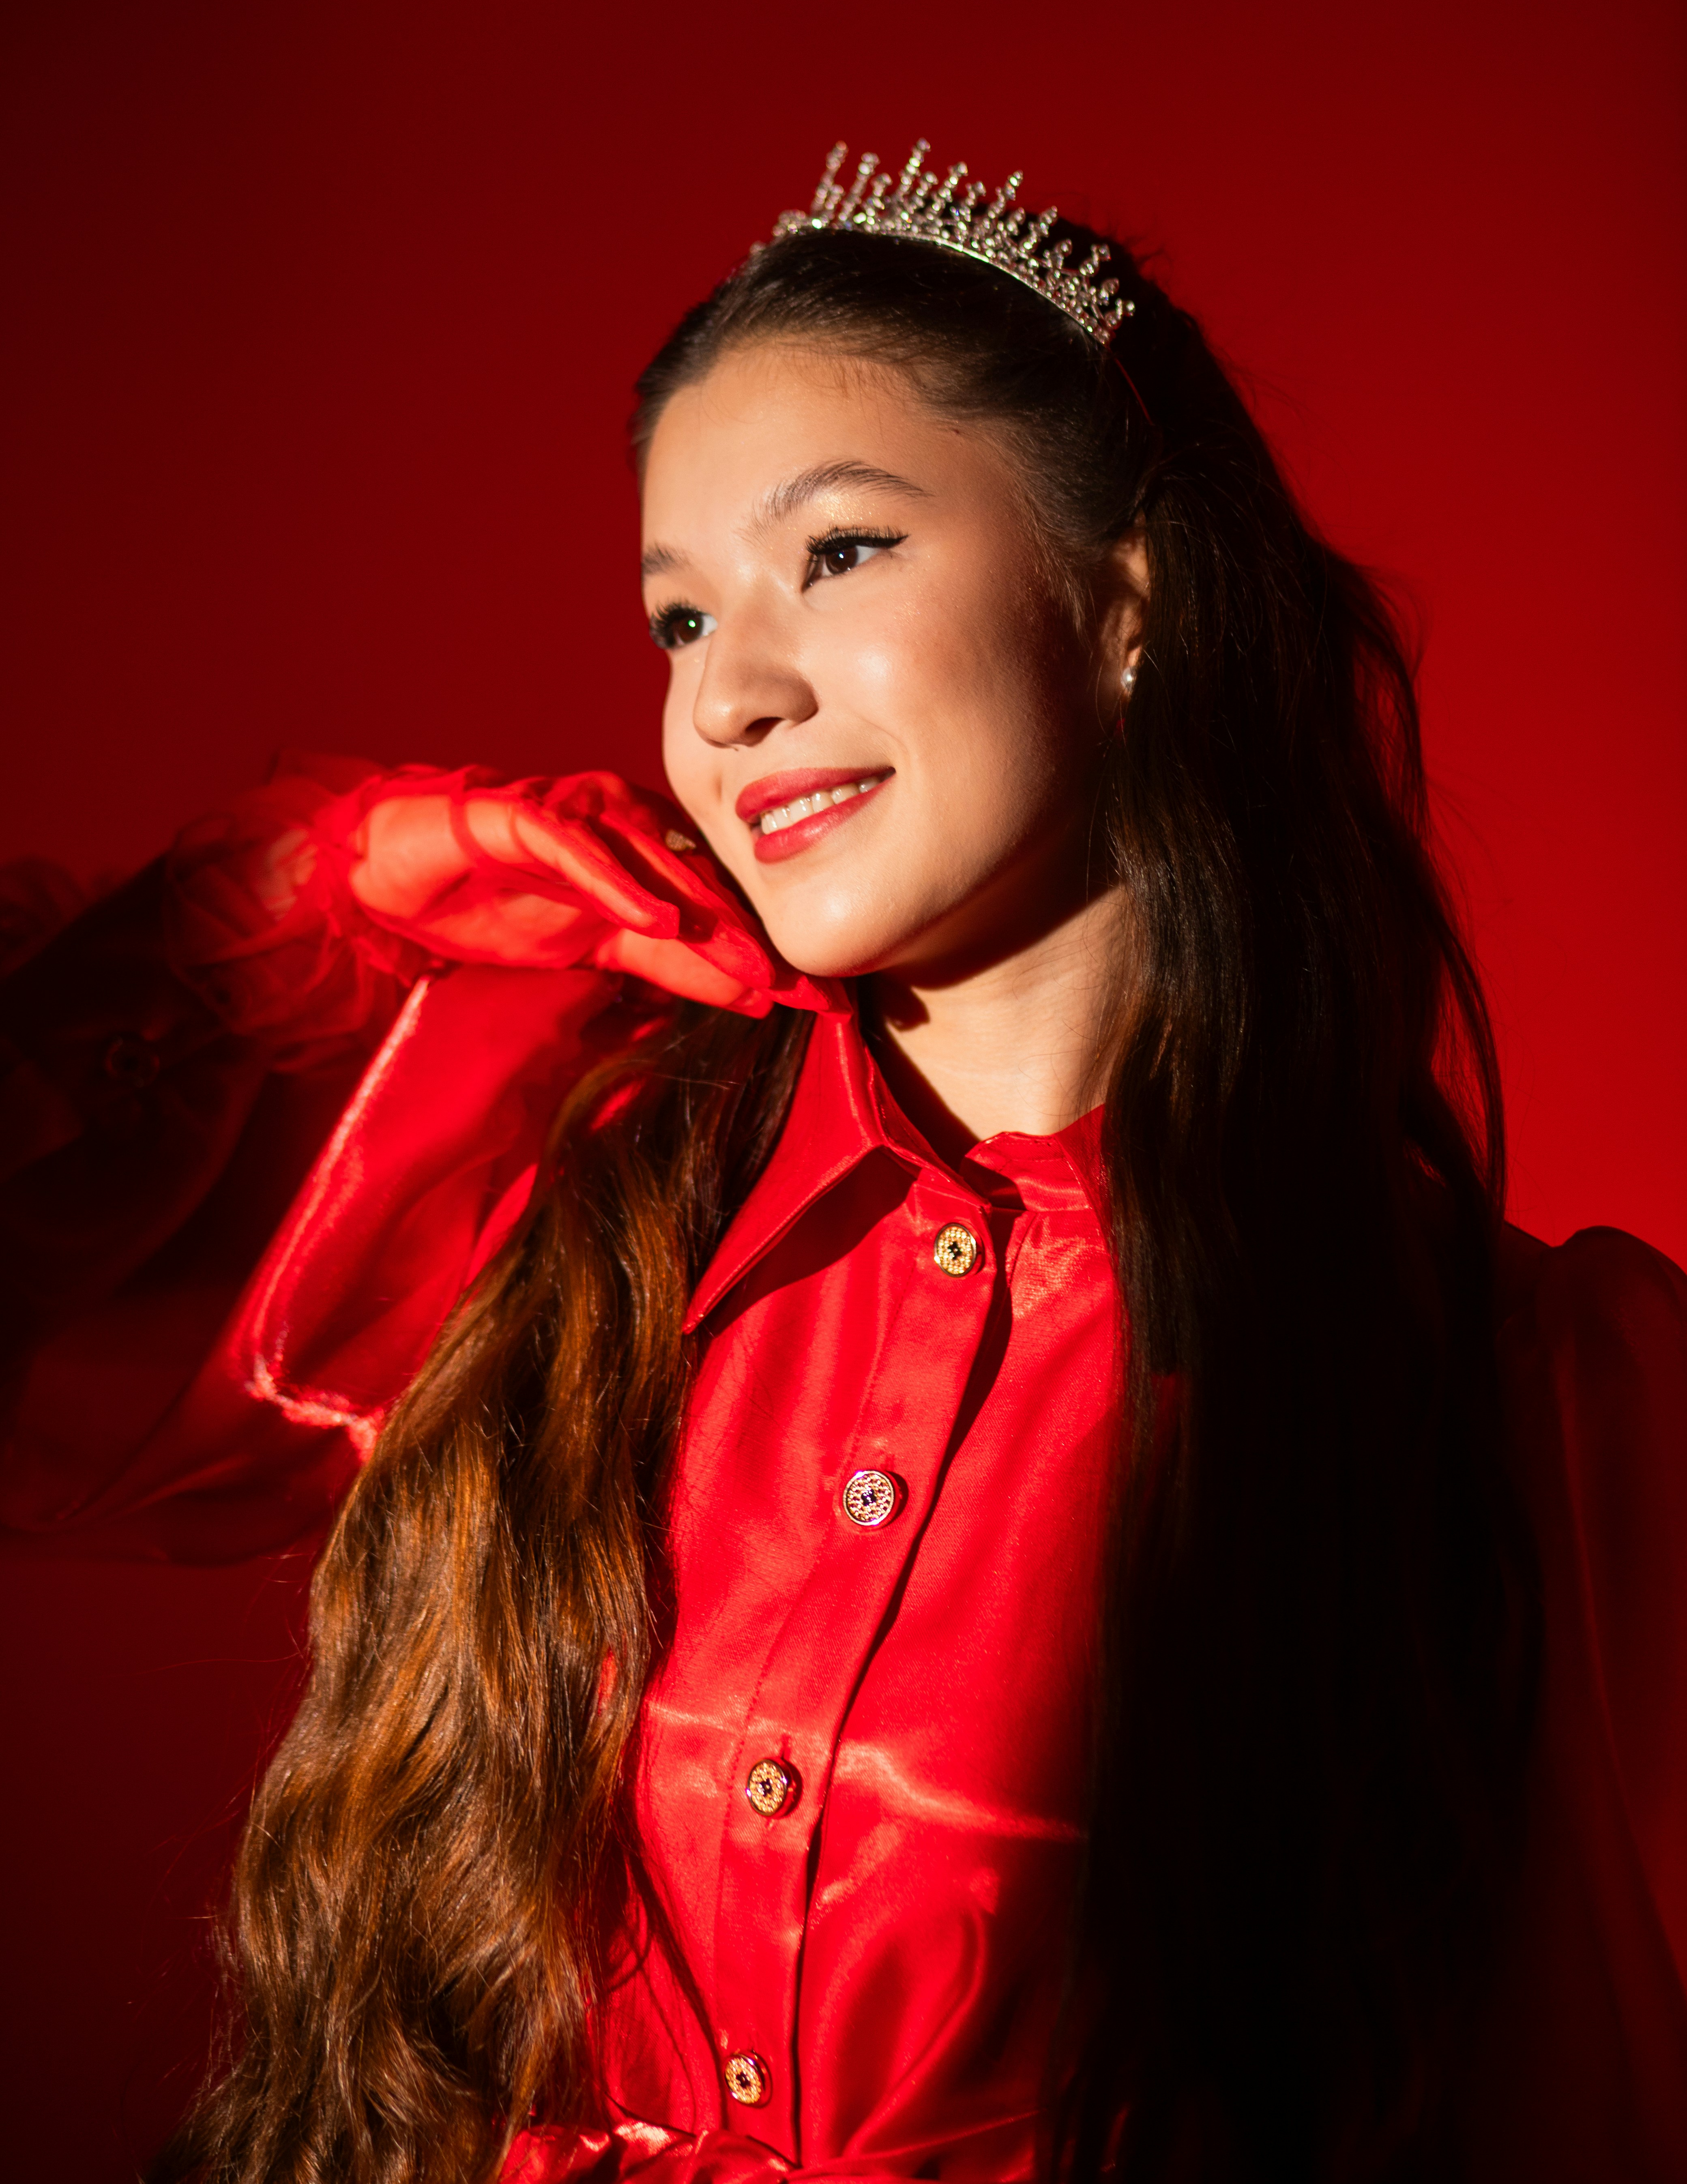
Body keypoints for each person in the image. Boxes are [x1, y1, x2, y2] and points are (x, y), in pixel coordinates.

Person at [2, 142, 1683, 2184]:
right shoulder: (538, 1209)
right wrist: (296, 899)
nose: (728, 692)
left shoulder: (1532, 1404)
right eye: (678, 610)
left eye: (842, 555)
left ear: (1129, 598)